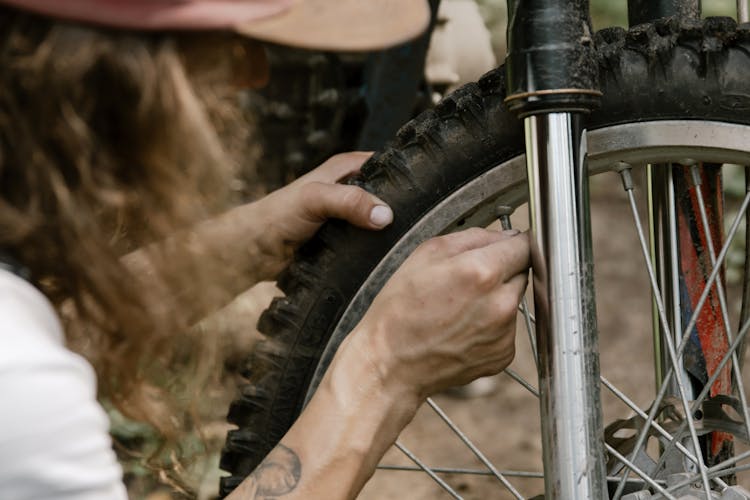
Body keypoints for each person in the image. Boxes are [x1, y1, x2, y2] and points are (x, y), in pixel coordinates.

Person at [0, 1, 531, 499]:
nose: (253, 75)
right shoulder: (24, 385)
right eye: (224, 45)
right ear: (111, 71)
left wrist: (244, 245)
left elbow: (47, 330)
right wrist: (385, 368)